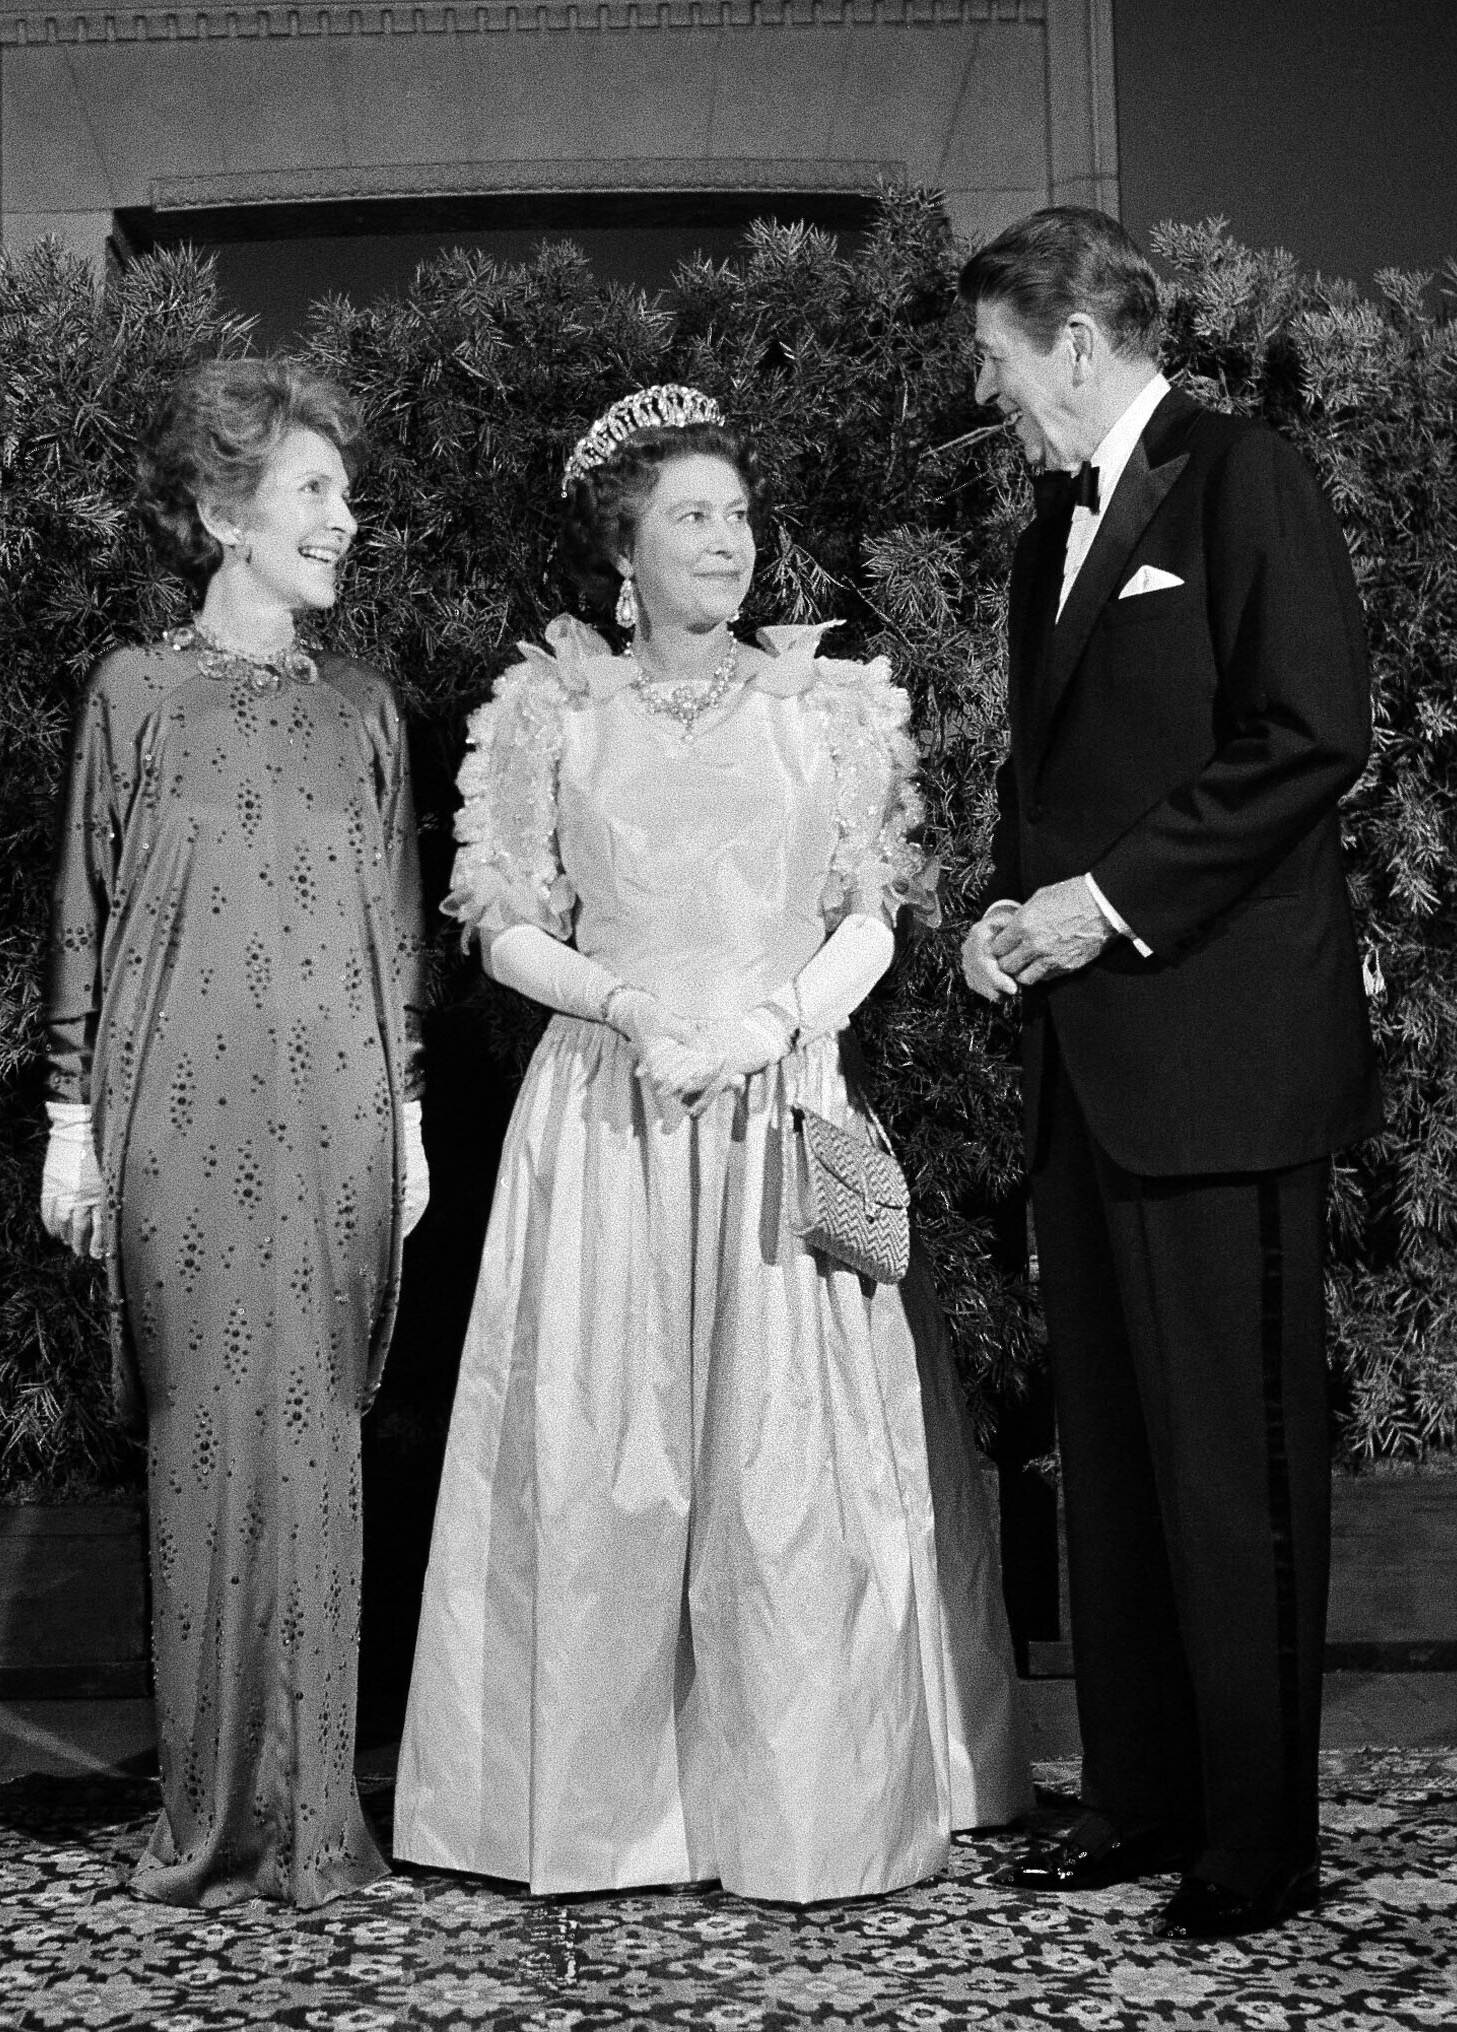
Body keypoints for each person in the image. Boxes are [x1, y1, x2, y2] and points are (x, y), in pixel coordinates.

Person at [394, 386, 1027, 1906]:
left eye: (738, 517)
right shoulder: (554, 710)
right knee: (602, 1466)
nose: (725, 542)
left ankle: (809, 1802)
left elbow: (871, 913)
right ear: (627, 543)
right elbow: (501, 927)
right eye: (691, 515)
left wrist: (769, 1027)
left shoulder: (827, 704)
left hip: (776, 1105)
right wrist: (619, 1005)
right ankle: (600, 1810)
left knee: (786, 1473)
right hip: (608, 1122)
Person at [955, 207, 1379, 1939]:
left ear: (1075, 340)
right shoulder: (1054, 521)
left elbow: (1312, 734)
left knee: (1235, 1463)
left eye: (998, 359)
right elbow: (1065, 773)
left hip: (1222, 1059)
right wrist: (1008, 913)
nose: (993, 396)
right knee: (1119, 1461)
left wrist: (1102, 907)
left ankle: (1260, 1837)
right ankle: (1140, 1798)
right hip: (1092, 1061)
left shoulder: (1239, 475)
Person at [37, 356, 429, 1910]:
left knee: (322, 1448)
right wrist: (69, 1117)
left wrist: (407, 1119)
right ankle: (207, 1816)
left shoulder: (371, 710)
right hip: (174, 1126)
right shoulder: (135, 692)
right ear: (224, 511)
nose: (346, 518)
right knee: (201, 1448)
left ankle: (318, 1818)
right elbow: (84, 903)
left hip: (336, 1120)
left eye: (344, 490)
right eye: (313, 493)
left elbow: (397, 930)